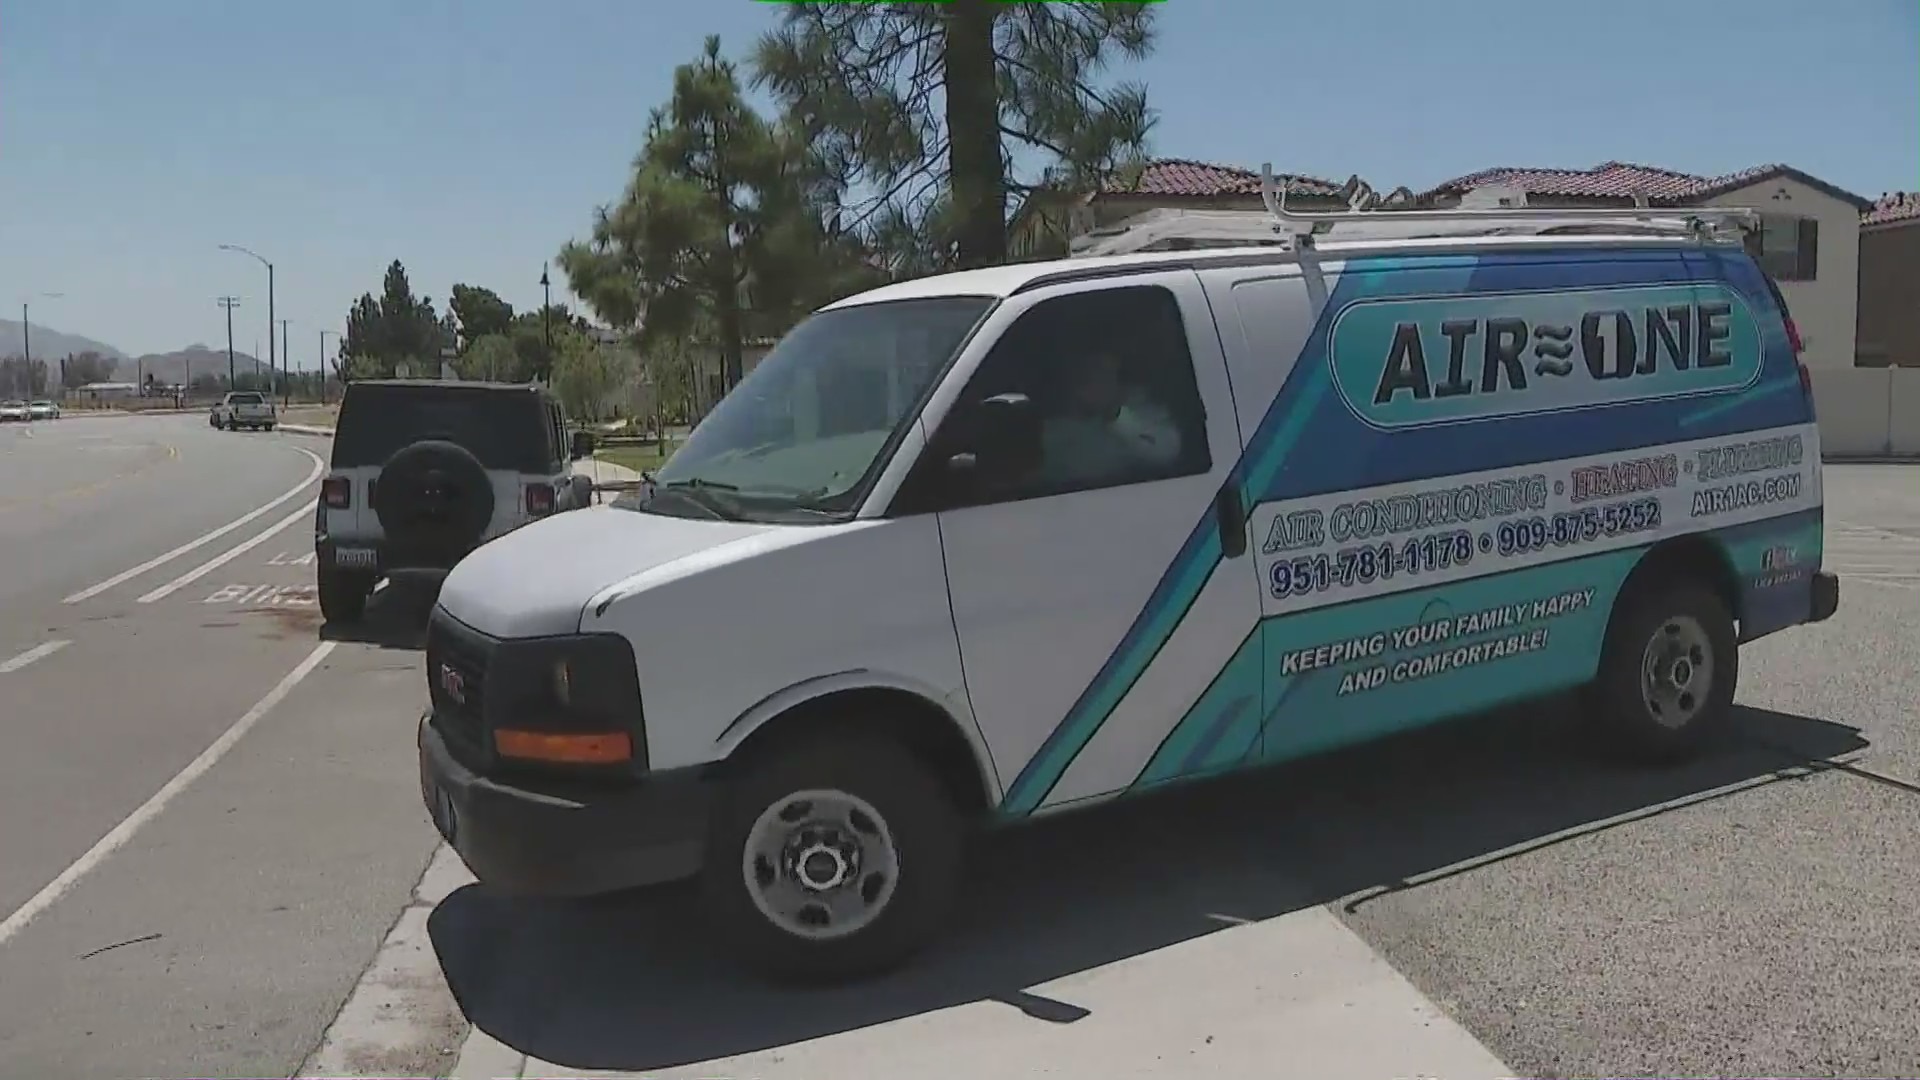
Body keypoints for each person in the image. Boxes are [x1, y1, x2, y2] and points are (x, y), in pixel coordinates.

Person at [1037, 348, 1182, 489]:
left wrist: (1116, 415)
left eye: (1105, 373)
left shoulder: (1143, 408)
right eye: (1087, 375)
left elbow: (1167, 452)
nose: (1098, 381)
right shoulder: (1051, 432)